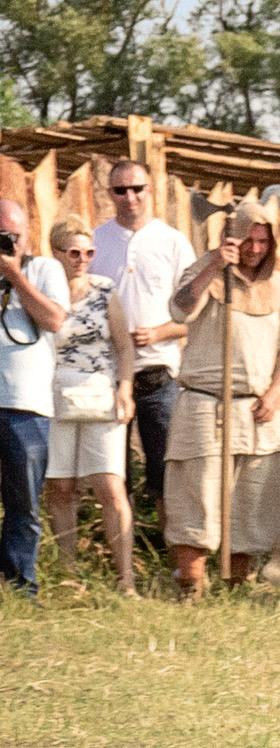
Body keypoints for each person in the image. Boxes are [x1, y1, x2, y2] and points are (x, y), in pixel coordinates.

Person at [164, 204, 280, 597]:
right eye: (248, 240)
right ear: (232, 237)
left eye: (263, 241)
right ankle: (191, 589)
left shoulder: (279, 285)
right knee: (198, 499)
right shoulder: (207, 270)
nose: (255, 249)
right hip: (206, 404)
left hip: (257, 408)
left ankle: (236, 589)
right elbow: (180, 310)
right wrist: (214, 267)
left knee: (251, 503)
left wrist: (274, 392)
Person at [87, 159, 191, 533]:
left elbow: (195, 315)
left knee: (166, 474)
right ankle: (123, 555)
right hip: (107, 375)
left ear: (151, 190)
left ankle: (172, 555)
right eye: (120, 190)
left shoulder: (173, 242)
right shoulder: (94, 242)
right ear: (109, 193)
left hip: (157, 374)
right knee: (114, 476)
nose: (129, 197)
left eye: (137, 188)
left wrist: (160, 333)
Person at [40, 225, 136, 595]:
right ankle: (67, 575)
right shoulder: (42, 291)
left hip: (100, 393)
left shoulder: (104, 289)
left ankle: (126, 579)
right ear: (57, 253)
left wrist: (125, 387)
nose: (82, 260)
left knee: (110, 486)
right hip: (54, 395)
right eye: (74, 253)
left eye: (89, 253)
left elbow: (123, 345)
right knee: (61, 487)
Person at [0, 197, 71, 595]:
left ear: (27, 235)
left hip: (26, 405)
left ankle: (19, 587)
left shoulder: (45, 269)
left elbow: (54, 320)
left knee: (23, 503)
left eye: (13, 235)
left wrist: (14, 275)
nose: (7, 242)